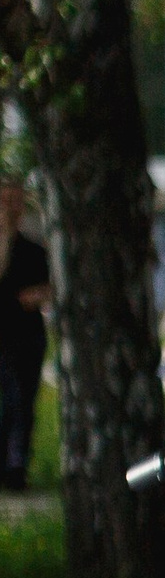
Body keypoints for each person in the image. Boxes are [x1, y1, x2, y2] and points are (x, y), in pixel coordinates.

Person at [0, 171, 51, 490]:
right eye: (6, 201)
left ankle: (16, 467)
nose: (12, 208)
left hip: (27, 333)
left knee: (23, 402)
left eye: (17, 201)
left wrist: (40, 295)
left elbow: (52, 284)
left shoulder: (34, 246)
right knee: (9, 400)